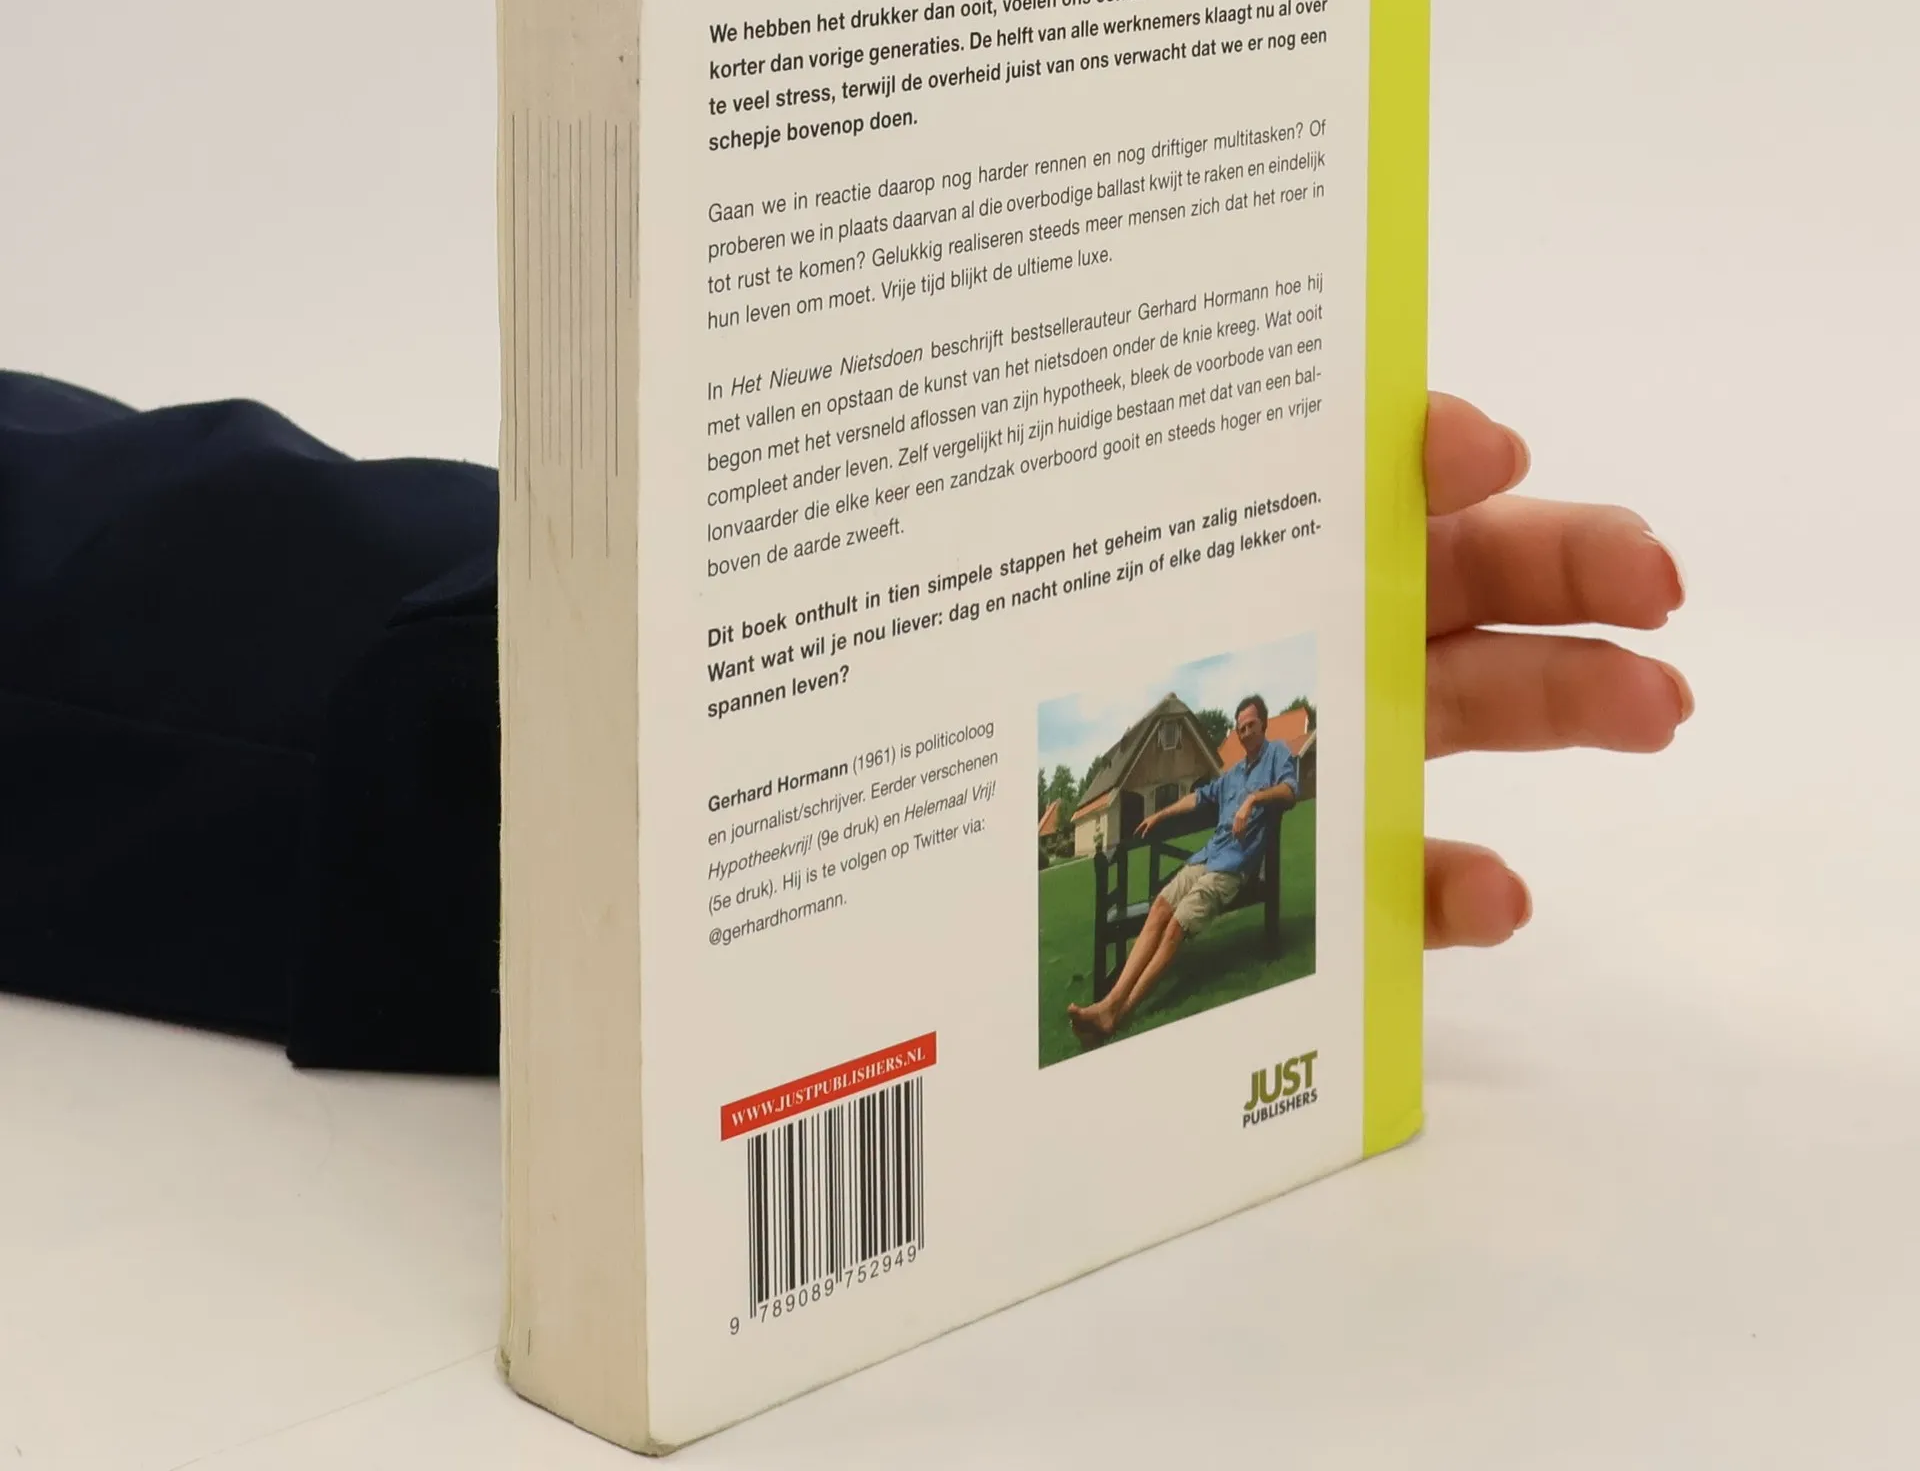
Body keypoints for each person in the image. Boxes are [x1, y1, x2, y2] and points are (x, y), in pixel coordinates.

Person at [0, 378, 1690, 1073]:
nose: (1261, 718)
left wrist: (742, 687)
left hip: (416, 672)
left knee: (1165, 909)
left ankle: (1105, 983)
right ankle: (1108, 985)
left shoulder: (1260, 763)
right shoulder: (1232, 769)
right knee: (1158, 909)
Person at [1068, 694, 1299, 1047]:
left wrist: (1253, 799)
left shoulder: (1277, 754)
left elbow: (1290, 791)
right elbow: (1198, 798)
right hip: (1208, 857)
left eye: (1251, 725)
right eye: (1240, 728)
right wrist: (1160, 814)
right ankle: (1109, 1004)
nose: (1245, 733)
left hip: (1234, 867)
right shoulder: (1233, 774)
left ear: (1264, 724)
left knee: (1177, 925)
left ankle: (1118, 1013)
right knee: (1161, 906)